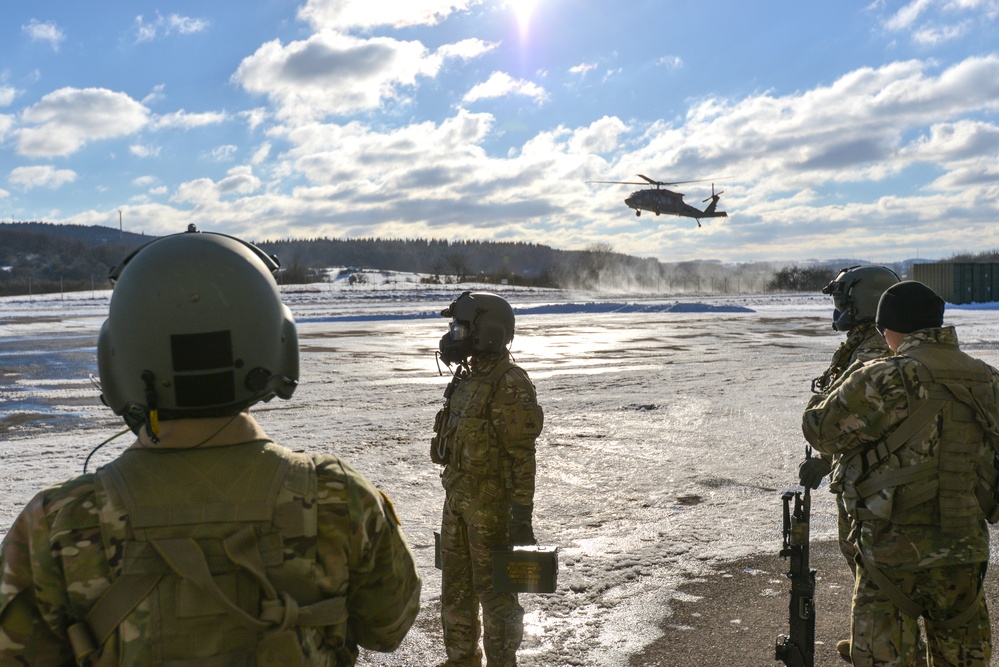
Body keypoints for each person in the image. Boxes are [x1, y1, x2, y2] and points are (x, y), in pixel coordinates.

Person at [0, 227, 421, 666]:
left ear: (117, 358)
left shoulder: (56, 520)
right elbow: (388, 628)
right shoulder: (340, 497)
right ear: (277, 344)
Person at [803, 280, 998, 667]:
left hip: (891, 552)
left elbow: (818, 429)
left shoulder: (882, 377)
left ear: (891, 326)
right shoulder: (988, 378)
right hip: (964, 548)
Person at [431, 291, 544, 667]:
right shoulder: (468, 376)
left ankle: (501, 661)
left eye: (459, 328)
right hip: (457, 500)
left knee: (495, 594)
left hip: (491, 509)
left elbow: (522, 457)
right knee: (455, 589)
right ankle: (461, 659)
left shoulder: (509, 382)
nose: (452, 335)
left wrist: (522, 518)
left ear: (487, 332)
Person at [797, 265, 902, 662]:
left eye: (844, 298)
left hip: (877, 478)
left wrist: (827, 452)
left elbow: (866, 415)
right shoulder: (865, 342)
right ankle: (877, 641)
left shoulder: (874, 349)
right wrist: (827, 460)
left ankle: (884, 646)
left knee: (876, 568)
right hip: (859, 470)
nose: (839, 306)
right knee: (863, 563)